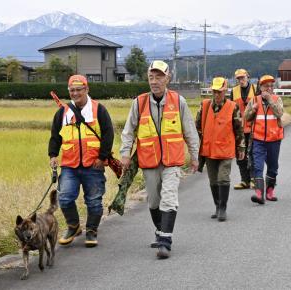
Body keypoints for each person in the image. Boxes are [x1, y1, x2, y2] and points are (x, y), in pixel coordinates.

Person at [120, 60, 199, 259]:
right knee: (154, 201)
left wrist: (195, 156)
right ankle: (160, 229)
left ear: (168, 78)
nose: (155, 81)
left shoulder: (178, 101)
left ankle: (165, 241)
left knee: (169, 198)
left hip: (173, 161)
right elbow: (128, 131)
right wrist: (125, 154)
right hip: (149, 161)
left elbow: (190, 130)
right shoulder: (139, 103)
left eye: (159, 77)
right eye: (151, 77)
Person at [49, 75, 114, 247]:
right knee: (64, 197)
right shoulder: (62, 113)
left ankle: (91, 231)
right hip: (70, 164)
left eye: (79, 90)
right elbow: (55, 136)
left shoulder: (98, 109)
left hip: (93, 164)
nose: (75, 93)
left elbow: (108, 134)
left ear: (86, 89)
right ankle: (73, 226)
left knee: (94, 200)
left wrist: (102, 157)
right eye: (72, 90)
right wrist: (53, 155)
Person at [196, 77, 245, 221]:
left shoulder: (232, 106)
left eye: (220, 92)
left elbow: (239, 129)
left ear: (225, 91)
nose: (217, 95)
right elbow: (197, 126)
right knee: (213, 180)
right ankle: (217, 205)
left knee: (223, 178)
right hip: (209, 151)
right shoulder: (204, 105)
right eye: (215, 92)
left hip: (226, 150)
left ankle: (223, 208)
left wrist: (241, 147)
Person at [244, 75, 284, 204]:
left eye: (271, 86)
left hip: (274, 139)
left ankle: (270, 192)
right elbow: (246, 117)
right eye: (266, 86)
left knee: (273, 166)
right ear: (260, 87)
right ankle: (259, 194)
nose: (269, 88)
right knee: (258, 166)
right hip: (258, 139)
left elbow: (279, 113)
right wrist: (253, 110)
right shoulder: (254, 100)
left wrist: (270, 100)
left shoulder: (277, 99)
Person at [229, 69, 257, 190]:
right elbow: (230, 110)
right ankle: (244, 180)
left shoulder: (256, 89)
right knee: (240, 155)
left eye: (243, 77)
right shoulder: (233, 91)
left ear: (248, 77)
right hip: (239, 129)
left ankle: (253, 179)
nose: (241, 80)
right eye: (239, 78)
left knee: (252, 154)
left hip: (253, 128)